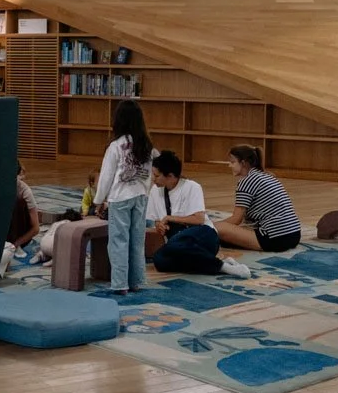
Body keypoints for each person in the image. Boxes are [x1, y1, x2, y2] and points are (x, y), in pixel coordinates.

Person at [148, 151, 251, 278]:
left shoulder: (192, 187)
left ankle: (224, 268)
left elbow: (199, 219)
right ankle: (223, 264)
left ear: (170, 176)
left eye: (157, 176)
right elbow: (157, 220)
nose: (153, 179)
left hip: (203, 233)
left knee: (175, 247)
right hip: (177, 240)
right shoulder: (155, 190)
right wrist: (159, 226)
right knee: (160, 260)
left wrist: (170, 218)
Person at [93, 100, 156, 294]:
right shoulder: (146, 145)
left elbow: (106, 176)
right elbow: (150, 173)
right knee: (137, 241)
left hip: (120, 198)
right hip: (141, 196)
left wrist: (98, 200)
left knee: (119, 241)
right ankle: (137, 281)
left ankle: (120, 284)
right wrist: (145, 191)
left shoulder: (116, 146)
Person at [215, 145, 302, 253]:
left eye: (232, 162)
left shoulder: (246, 181)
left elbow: (236, 219)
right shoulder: (267, 176)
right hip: (294, 234)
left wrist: (209, 226)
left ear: (243, 163)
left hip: (276, 238)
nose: (229, 165)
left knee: (218, 228)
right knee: (229, 232)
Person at [7, 162, 41, 249]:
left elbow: (36, 228)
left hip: (17, 235)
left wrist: (15, 244)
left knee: (18, 202)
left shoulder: (24, 191)